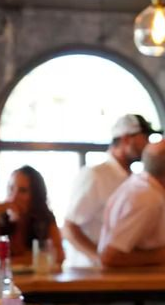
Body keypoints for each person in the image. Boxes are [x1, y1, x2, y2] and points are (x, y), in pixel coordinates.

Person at [63, 113, 153, 267]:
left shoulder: (134, 179)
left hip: (119, 274)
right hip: (89, 276)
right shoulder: (95, 175)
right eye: (144, 137)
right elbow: (70, 227)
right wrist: (100, 259)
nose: (147, 144)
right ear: (126, 139)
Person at [98, 138, 165, 269]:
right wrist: (161, 256)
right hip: (131, 287)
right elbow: (110, 257)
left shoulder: (146, 189)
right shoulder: (148, 199)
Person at [0, 165, 66, 268]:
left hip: (37, 282)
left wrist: (6, 261)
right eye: (11, 188)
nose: (14, 196)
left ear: (35, 195)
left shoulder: (45, 219)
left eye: (22, 190)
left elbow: (59, 256)